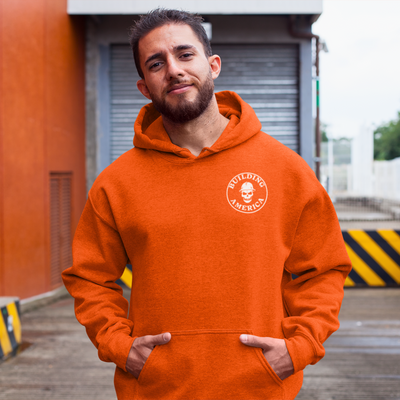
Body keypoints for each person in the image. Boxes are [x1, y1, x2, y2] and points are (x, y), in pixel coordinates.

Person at [62, 8, 352, 400]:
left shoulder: (284, 169)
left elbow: (324, 268)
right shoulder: (117, 183)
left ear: (212, 65)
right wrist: (120, 345)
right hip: (155, 389)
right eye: (156, 63)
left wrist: (300, 346)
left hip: (261, 388)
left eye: (185, 54)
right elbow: (90, 277)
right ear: (144, 87)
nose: (174, 70)